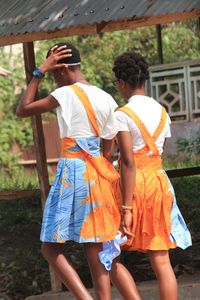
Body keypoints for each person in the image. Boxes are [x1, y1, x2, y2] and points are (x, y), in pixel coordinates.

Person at [16, 43, 141, 300]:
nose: (54, 78)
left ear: (61, 69)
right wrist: (95, 166)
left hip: (72, 170)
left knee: (50, 248)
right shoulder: (107, 98)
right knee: (95, 248)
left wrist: (39, 72)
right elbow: (109, 147)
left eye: (53, 72)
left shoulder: (64, 94)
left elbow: (23, 109)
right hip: (97, 172)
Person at [109, 51, 192, 300]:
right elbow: (159, 151)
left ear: (122, 83)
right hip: (159, 182)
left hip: (134, 185)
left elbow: (128, 161)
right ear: (144, 79)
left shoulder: (122, 114)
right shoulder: (162, 111)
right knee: (161, 258)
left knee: (108, 250)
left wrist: (126, 207)